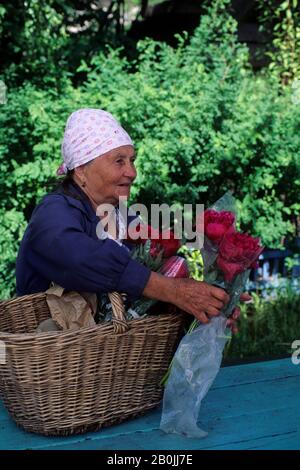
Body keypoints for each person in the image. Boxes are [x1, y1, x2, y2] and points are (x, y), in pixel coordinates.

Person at [16, 108, 248, 330]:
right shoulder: (53, 212)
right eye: (119, 161)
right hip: (57, 361)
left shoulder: (122, 216)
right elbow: (80, 258)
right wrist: (173, 291)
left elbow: (155, 274)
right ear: (81, 170)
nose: (132, 172)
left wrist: (215, 296)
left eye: (132, 160)